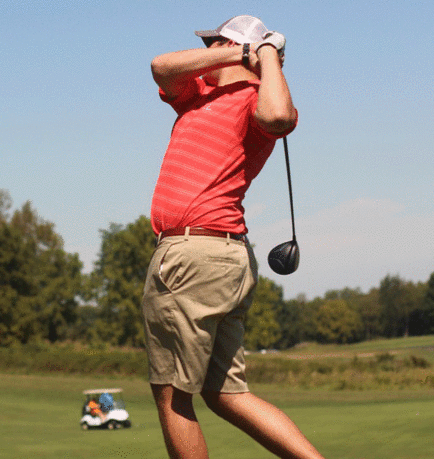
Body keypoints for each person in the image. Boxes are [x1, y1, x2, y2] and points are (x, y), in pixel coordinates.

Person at [141, 15, 324, 459]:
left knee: (172, 393)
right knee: (225, 393)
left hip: (192, 254)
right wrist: (247, 52)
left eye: (212, 45)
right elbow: (160, 66)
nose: (203, 55)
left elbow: (278, 116)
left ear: (226, 46)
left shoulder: (258, 99)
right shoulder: (196, 93)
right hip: (222, 258)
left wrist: (264, 56)